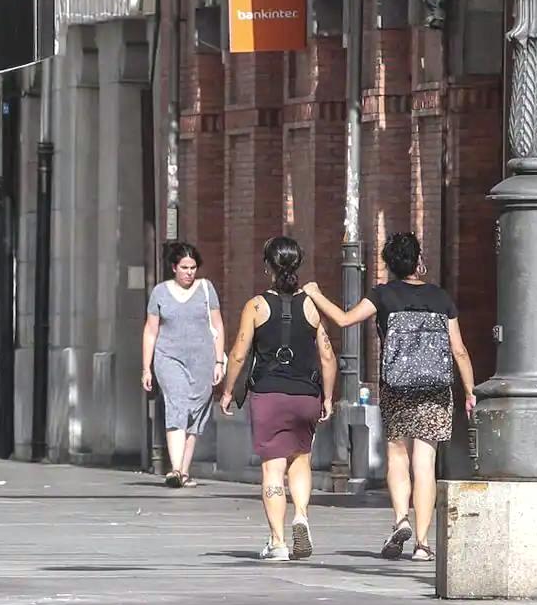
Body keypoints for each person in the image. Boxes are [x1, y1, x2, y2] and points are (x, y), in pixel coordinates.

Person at [303, 232, 475, 562]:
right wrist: (468, 389)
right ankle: (423, 544)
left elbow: (344, 319)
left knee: (398, 455)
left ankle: (400, 520)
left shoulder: (383, 295)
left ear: (389, 265)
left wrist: (316, 293)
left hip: (397, 387)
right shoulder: (441, 298)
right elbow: (460, 350)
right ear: (418, 261)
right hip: (436, 390)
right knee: (425, 463)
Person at [220, 237, 336, 561]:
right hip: (306, 396)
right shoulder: (311, 305)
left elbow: (239, 352)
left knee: (273, 469)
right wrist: (327, 396)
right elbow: (327, 354)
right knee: (300, 459)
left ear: (267, 267)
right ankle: (301, 515)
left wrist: (228, 391)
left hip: (268, 396)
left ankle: (278, 541)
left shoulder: (256, 306)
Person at [142, 242, 226, 488]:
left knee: (196, 414)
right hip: (168, 357)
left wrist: (219, 361)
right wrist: (147, 367)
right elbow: (150, 331)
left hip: (203, 359)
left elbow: (218, 326)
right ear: (174, 268)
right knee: (177, 404)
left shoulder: (206, 289)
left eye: (193, 267)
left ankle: (184, 471)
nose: (189, 272)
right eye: (184, 267)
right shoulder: (160, 292)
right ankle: (175, 469)